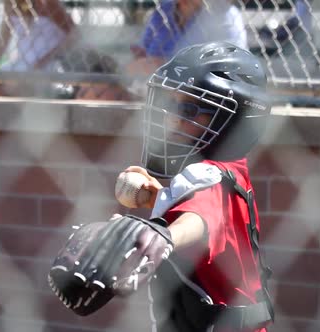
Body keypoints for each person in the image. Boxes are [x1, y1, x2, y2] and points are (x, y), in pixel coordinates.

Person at [118, 41, 274, 331]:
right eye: (173, 105)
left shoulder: (209, 179)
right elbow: (208, 218)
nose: (174, 118)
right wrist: (158, 198)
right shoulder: (229, 171)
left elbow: (200, 219)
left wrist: (163, 237)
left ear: (234, 120)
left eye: (190, 109)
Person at [123, 0, 249, 99]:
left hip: (202, 100)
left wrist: (164, 66)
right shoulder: (163, 11)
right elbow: (140, 57)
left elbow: (227, 74)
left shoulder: (223, 16)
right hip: (152, 93)